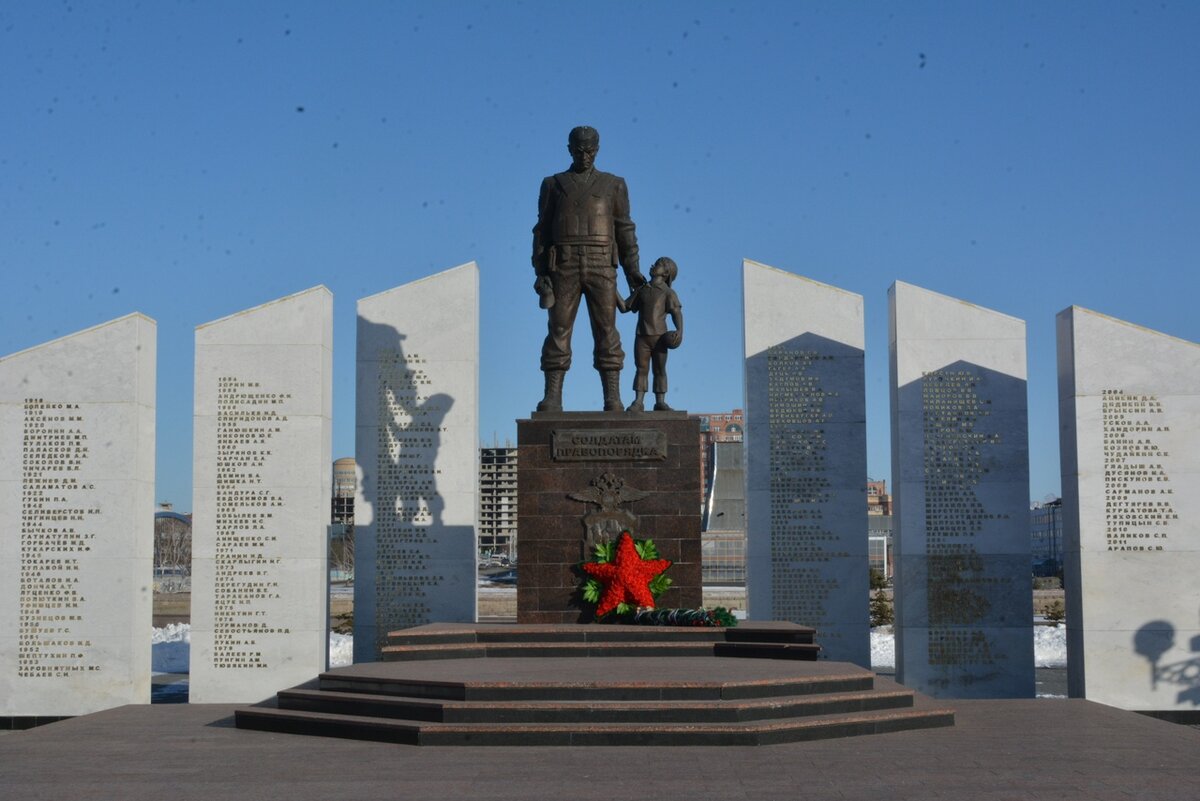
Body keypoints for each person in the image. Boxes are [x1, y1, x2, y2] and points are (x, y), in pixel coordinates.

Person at [532, 126, 645, 412]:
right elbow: (542, 231)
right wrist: (540, 271)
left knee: (607, 330)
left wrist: (633, 270)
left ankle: (613, 398)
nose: (585, 156)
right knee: (558, 329)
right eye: (580, 150)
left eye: (591, 150)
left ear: (598, 149)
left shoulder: (613, 184)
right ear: (569, 149)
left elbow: (624, 228)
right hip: (564, 264)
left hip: (602, 263)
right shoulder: (553, 184)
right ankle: (553, 397)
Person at [618, 257, 683, 412]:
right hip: (642, 336)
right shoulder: (642, 290)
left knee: (659, 369)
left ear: (666, 272)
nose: (653, 265)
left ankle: (660, 401)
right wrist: (611, 287)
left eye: (659, 264)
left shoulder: (668, 292)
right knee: (641, 368)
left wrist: (680, 331)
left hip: (660, 338)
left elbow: (676, 312)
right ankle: (638, 401)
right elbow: (624, 307)